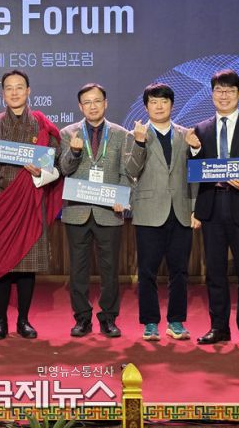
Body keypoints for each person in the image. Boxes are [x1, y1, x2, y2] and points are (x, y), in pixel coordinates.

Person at [0, 70, 63, 340]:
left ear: (28, 91)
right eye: (9, 88)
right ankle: (0, 320)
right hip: (1, 201)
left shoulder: (41, 126)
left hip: (30, 203)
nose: (14, 92)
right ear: (3, 93)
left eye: (19, 87)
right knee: (1, 263)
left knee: (27, 264)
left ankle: (23, 320)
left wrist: (40, 173)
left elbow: (56, 166)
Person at [186, 69, 239, 347]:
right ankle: (218, 327)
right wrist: (194, 150)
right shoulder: (200, 129)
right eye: (219, 91)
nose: (224, 96)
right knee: (215, 272)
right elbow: (194, 169)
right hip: (212, 206)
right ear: (212, 94)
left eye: (230, 91)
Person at [59, 83, 146, 338]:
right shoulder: (68, 133)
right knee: (78, 270)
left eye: (97, 101)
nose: (93, 106)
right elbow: (64, 169)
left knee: (110, 270)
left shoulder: (120, 134)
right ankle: (82, 318)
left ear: (105, 103)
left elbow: (127, 173)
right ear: (80, 106)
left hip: (110, 212)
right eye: (87, 102)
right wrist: (75, 151)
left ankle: (108, 318)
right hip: (77, 211)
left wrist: (122, 198)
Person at [129, 83, 198, 342]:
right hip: (149, 212)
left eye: (164, 101)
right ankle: (150, 323)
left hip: (181, 211)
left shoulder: (186, 135)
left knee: (179, 271)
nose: (159, 106)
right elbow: (131, 171)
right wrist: (139, 143)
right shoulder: (136, 134)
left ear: (172, 105)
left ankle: (176, 322)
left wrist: (195, 208)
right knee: (147, 271)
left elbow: (195, 175)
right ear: (146, 106)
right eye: (153, 102)